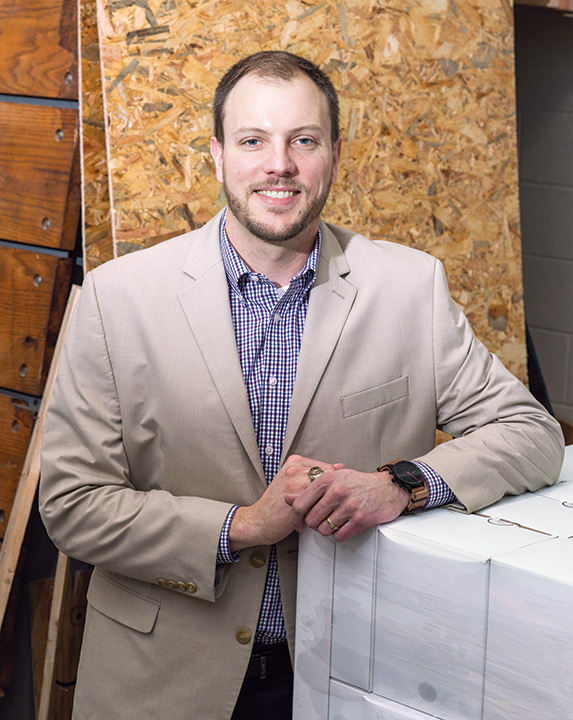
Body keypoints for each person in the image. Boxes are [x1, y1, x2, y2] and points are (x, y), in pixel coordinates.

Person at [39, 51, 564, 720]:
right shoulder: (119, 300)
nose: (278, 164)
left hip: (353, 671)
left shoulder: (408, 288)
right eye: (253, 140)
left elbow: (530, 433)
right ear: (217, 153)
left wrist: (398, 484)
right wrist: (244, 525)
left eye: (303, 141)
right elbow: (72, 504)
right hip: (159, 678)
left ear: (334, 154)